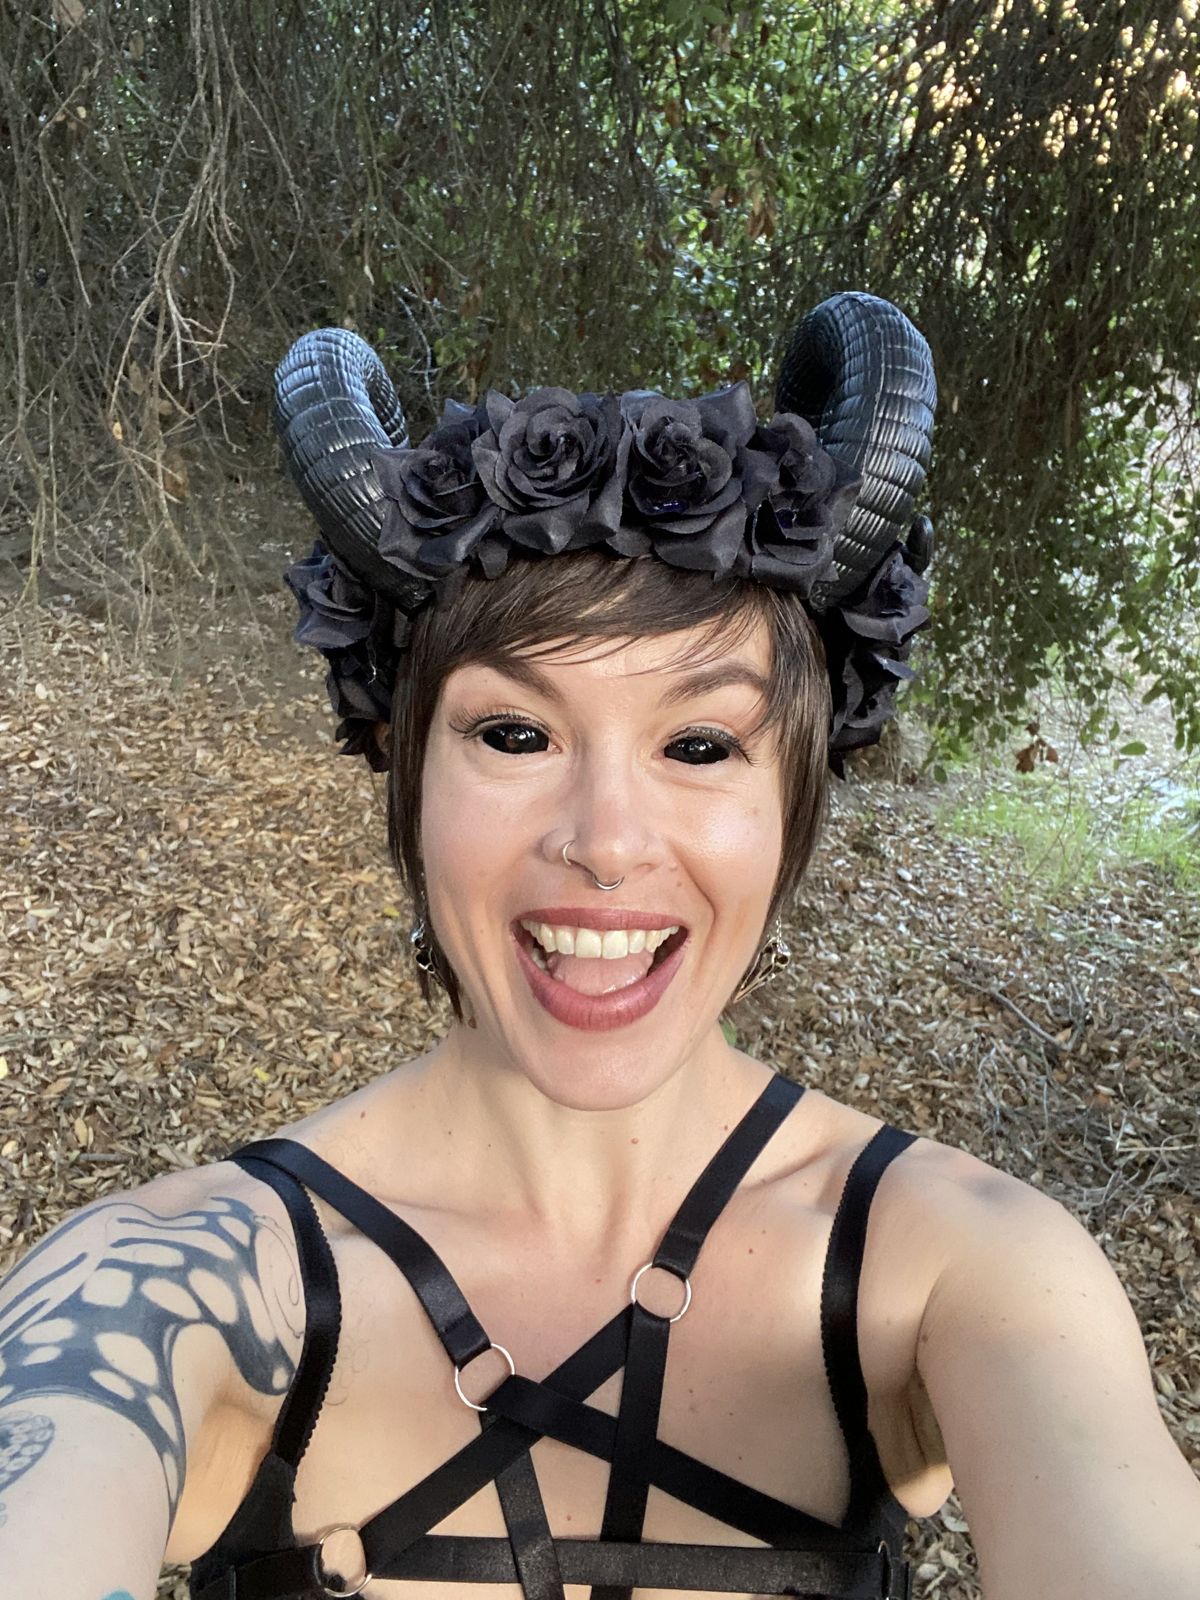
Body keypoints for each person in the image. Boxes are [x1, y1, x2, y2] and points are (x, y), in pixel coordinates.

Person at [1, 295, 1197, 1600]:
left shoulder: (970, 1268)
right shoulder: (166, 1287)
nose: (608, 843)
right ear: (407, 771)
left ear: (793, 803)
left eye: (702, 744)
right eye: (515, 734)